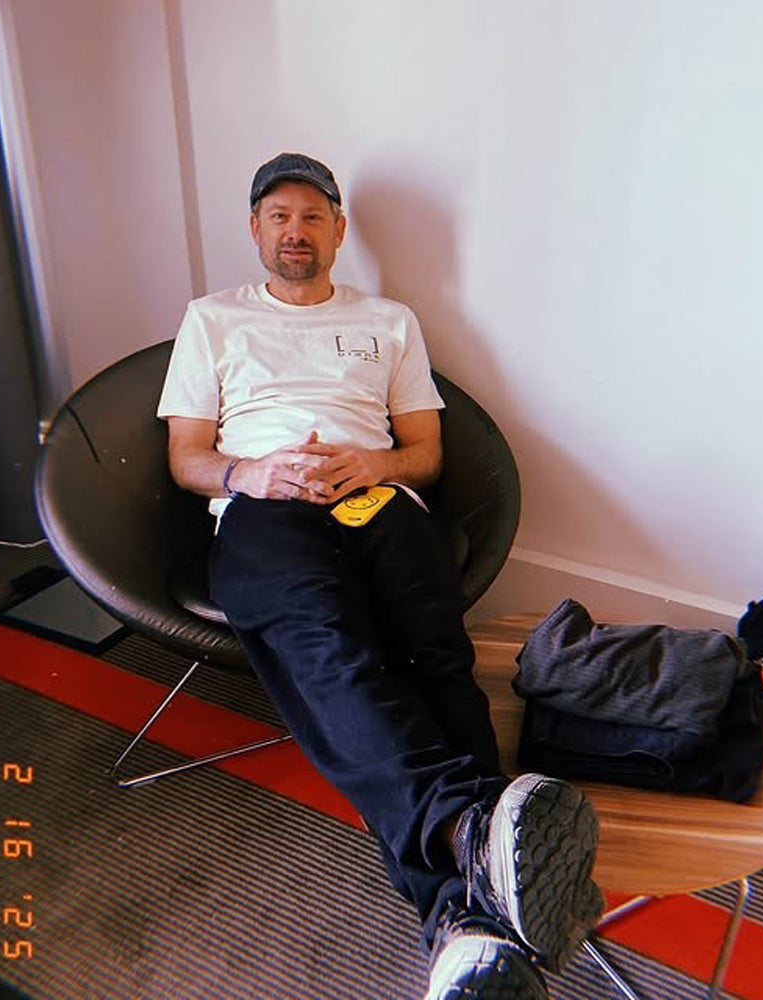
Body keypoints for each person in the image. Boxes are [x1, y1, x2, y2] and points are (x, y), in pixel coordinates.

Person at [156, 152, 602, 999]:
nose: (295, 231)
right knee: (331, 650)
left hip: (377, 497)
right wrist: (251, 473)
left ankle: (465, 917)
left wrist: (375, 463)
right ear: (255, 229)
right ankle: (470, 847)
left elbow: (426, 452)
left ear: (338, 230)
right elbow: (186, 457)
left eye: (311, 216)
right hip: (267, 506)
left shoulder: (389, 321)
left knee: (434, 655)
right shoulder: (211, 320)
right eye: (279, 216)